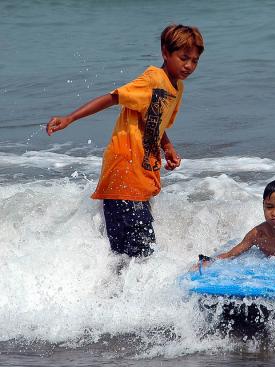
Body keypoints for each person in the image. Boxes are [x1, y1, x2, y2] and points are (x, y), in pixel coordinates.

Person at [46, 24, 204, 260]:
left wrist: (167, 146)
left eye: (194, 60)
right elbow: (112, 98)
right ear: (165, 53)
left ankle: (115, 295)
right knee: (141, 254)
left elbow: (154, 121)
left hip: (139, 177)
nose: (189, 66)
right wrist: (70, 118)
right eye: (183, 58)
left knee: (129, 255)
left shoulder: (176, 87)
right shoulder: (153, 79)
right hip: (124, 171)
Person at [200, 179, 275, 279]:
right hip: (273, 265)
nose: (274, 212)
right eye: (269, 207)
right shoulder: (257, 233)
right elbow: (231, 254)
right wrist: (210, 262)